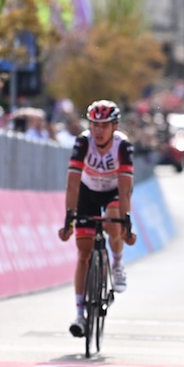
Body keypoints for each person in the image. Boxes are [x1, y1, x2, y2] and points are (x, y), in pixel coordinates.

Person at [57, 99, 136, 337]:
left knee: (113, 221)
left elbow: (125, 190)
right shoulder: (83, 142)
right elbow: (72, 184)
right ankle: (80, 314)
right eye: (94, 125)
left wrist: (126, 223)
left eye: (104, 126)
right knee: (84, 253)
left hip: (113, 192)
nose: (98, 131)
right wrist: (69, 219)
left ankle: (117, 263)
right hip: (87, 192)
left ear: (115, 126)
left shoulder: (123, 146)